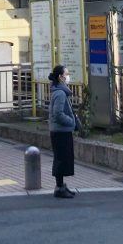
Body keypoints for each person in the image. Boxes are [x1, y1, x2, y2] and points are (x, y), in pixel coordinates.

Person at [48, 65, 78, 199]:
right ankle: (59, 188)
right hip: (61, 131)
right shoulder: (60, 93)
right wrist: (71, 121)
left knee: (62, 158)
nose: (68, 76)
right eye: (66, 74)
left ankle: (61, 186)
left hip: (60, 130)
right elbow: (58, 114)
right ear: (60, 77)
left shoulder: (59, 91)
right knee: (61, 159)